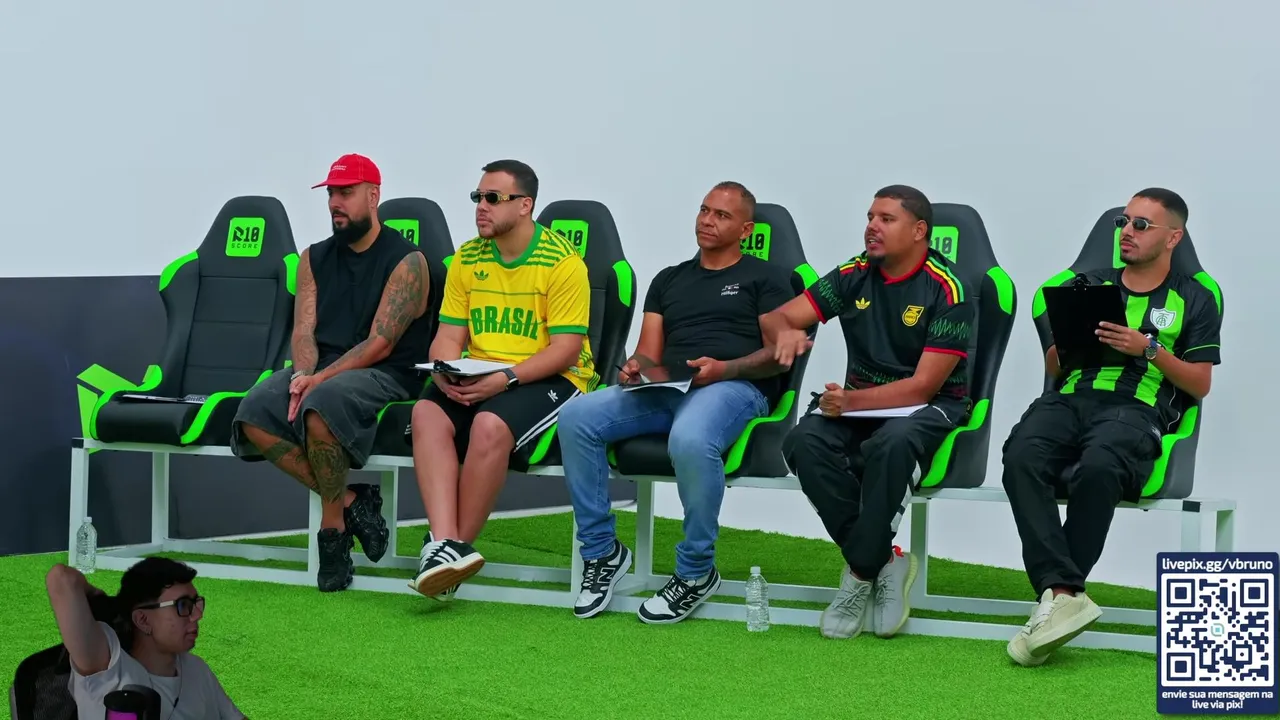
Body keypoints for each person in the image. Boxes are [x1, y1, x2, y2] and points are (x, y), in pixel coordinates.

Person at [556, 181, 798, 623]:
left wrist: (723, 369)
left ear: (746, 230)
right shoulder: (669, 279)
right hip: (670, 387)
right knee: (576, 416)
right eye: (704, 210)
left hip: (735, 387)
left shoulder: (767, 278)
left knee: (690, 438)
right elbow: (648, 352)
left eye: (722, 215)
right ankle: (602, 552)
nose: (707, 220)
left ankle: (695, 570)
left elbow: (777, 356)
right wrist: (636, 368)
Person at [1000, 188, 1222, 666]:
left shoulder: (1196, 297)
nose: (1126, 232)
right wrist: (1069, 339)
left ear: (1173, 237)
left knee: (1100, 466)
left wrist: (1147, 348)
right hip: (1070, 398)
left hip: (1137, 407)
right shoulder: (1086, 284)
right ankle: (1064, 595)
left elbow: (1200, 384)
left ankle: (1057, 597)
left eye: (1141, 224)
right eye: (1124, 222)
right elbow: (1054, 367)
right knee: (1020, 456)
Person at [762, 184, 973, 641]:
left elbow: (924, 385)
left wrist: (850, 402)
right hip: (859, 403)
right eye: (870, 217)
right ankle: (882, 561)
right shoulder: (853, 273)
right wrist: (786, 332)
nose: (872, 227)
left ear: (919, 230)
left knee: (892, 443)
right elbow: (778, 317)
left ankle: (858, 575)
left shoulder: (949, 288)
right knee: (802, 441)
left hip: (931, 406)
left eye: (886, 219)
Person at [230, 153, 434, 592]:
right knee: (251, 413)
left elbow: (381, 342)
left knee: (320, 405)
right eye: (331, 194)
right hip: (322, 372)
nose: (335, 203)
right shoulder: (313, 258)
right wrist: (303, 374)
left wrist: (317, 382)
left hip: (387, 373)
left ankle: (332, 531)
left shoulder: (407, 261)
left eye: (346, 193)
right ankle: (351, 501)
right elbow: (304, 330)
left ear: (373, 196)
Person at [407, 159, 597, 601]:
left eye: (493, 198)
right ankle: (446, 547)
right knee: (426, 413)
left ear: (525, 205)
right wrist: (443, 371)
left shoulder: (563, 263)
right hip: (480, 371)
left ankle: (449, 553)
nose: (482, 206)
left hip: (553, 376)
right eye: (478, 197)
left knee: (490, 425)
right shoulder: (467, 257)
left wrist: (506, 378)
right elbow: (449, 335)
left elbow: (566, 350)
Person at [45, 557, 243, 718]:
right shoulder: (108, 668)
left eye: (196, 603)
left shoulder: (197, 668)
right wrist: (100, 597)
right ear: (143, 620)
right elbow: (61, 578)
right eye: (183, 605)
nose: (197, 615)